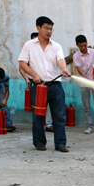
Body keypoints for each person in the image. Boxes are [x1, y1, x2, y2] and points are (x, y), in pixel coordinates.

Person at [18, 16, 70, 152]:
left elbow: (60, 60)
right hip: (38, 86)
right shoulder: (29, 45)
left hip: (55, 86)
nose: (49, 31)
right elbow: (22, 62)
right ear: (38, 28)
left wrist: (64, 69)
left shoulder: (56, 46)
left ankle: (60, 144)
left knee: (59, 116)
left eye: (51, 29)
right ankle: (40, 142)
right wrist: (34, 75)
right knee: (38, 116)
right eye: (46, 28)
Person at [73, 34, 94, 134]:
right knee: (86, 106)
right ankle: (88, 126)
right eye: (81, 46)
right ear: (77, 45)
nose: (83, 47)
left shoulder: (93, 52)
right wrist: (89, 79)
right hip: (84, 83)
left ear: (87, 43)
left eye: (85, 45)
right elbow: (80, 71)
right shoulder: (76, 56)